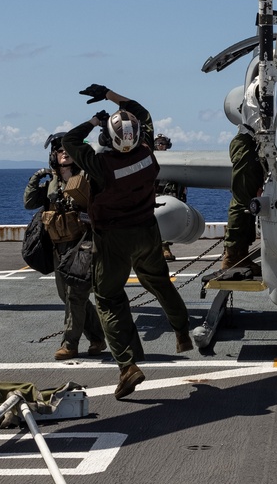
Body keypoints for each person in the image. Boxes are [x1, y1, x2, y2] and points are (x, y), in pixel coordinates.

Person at [64, 84, 192, 399]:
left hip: (112, 239)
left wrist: (94, 121)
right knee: (160, 282)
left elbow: (69, 141)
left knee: (108, 298)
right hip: (147, 231)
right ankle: (182, 333)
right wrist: (110, 94)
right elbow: (142, 112)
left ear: (108, 139)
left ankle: (127, 364)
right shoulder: (147, 153)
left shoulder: (102, 165)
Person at [25, 134, 105, 361]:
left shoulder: (86, 179)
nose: (64, 153)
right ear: (54, 155)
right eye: (60, 150)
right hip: (58, 248)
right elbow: (29, 203)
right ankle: (98, 337)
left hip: (82, 246)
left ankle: (70, 344)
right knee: (66, 296)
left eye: (68, 149)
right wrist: (35, 179)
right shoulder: (52, 182)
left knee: (75, 296)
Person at [221, 76, 265, 275]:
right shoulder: (263, 84)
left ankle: (242, 257)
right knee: (241, 202)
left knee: (249, 202)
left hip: (253, 144)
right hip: (247, 143)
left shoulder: (264, 83)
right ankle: (232, 256)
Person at [154, 132, 185, 260]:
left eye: (163, 143)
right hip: (153, 194)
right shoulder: (150, 158)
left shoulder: (173, 159)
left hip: (167, 194)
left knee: (166, 219)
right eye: (158, 143)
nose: (161, 145)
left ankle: (165, 247)